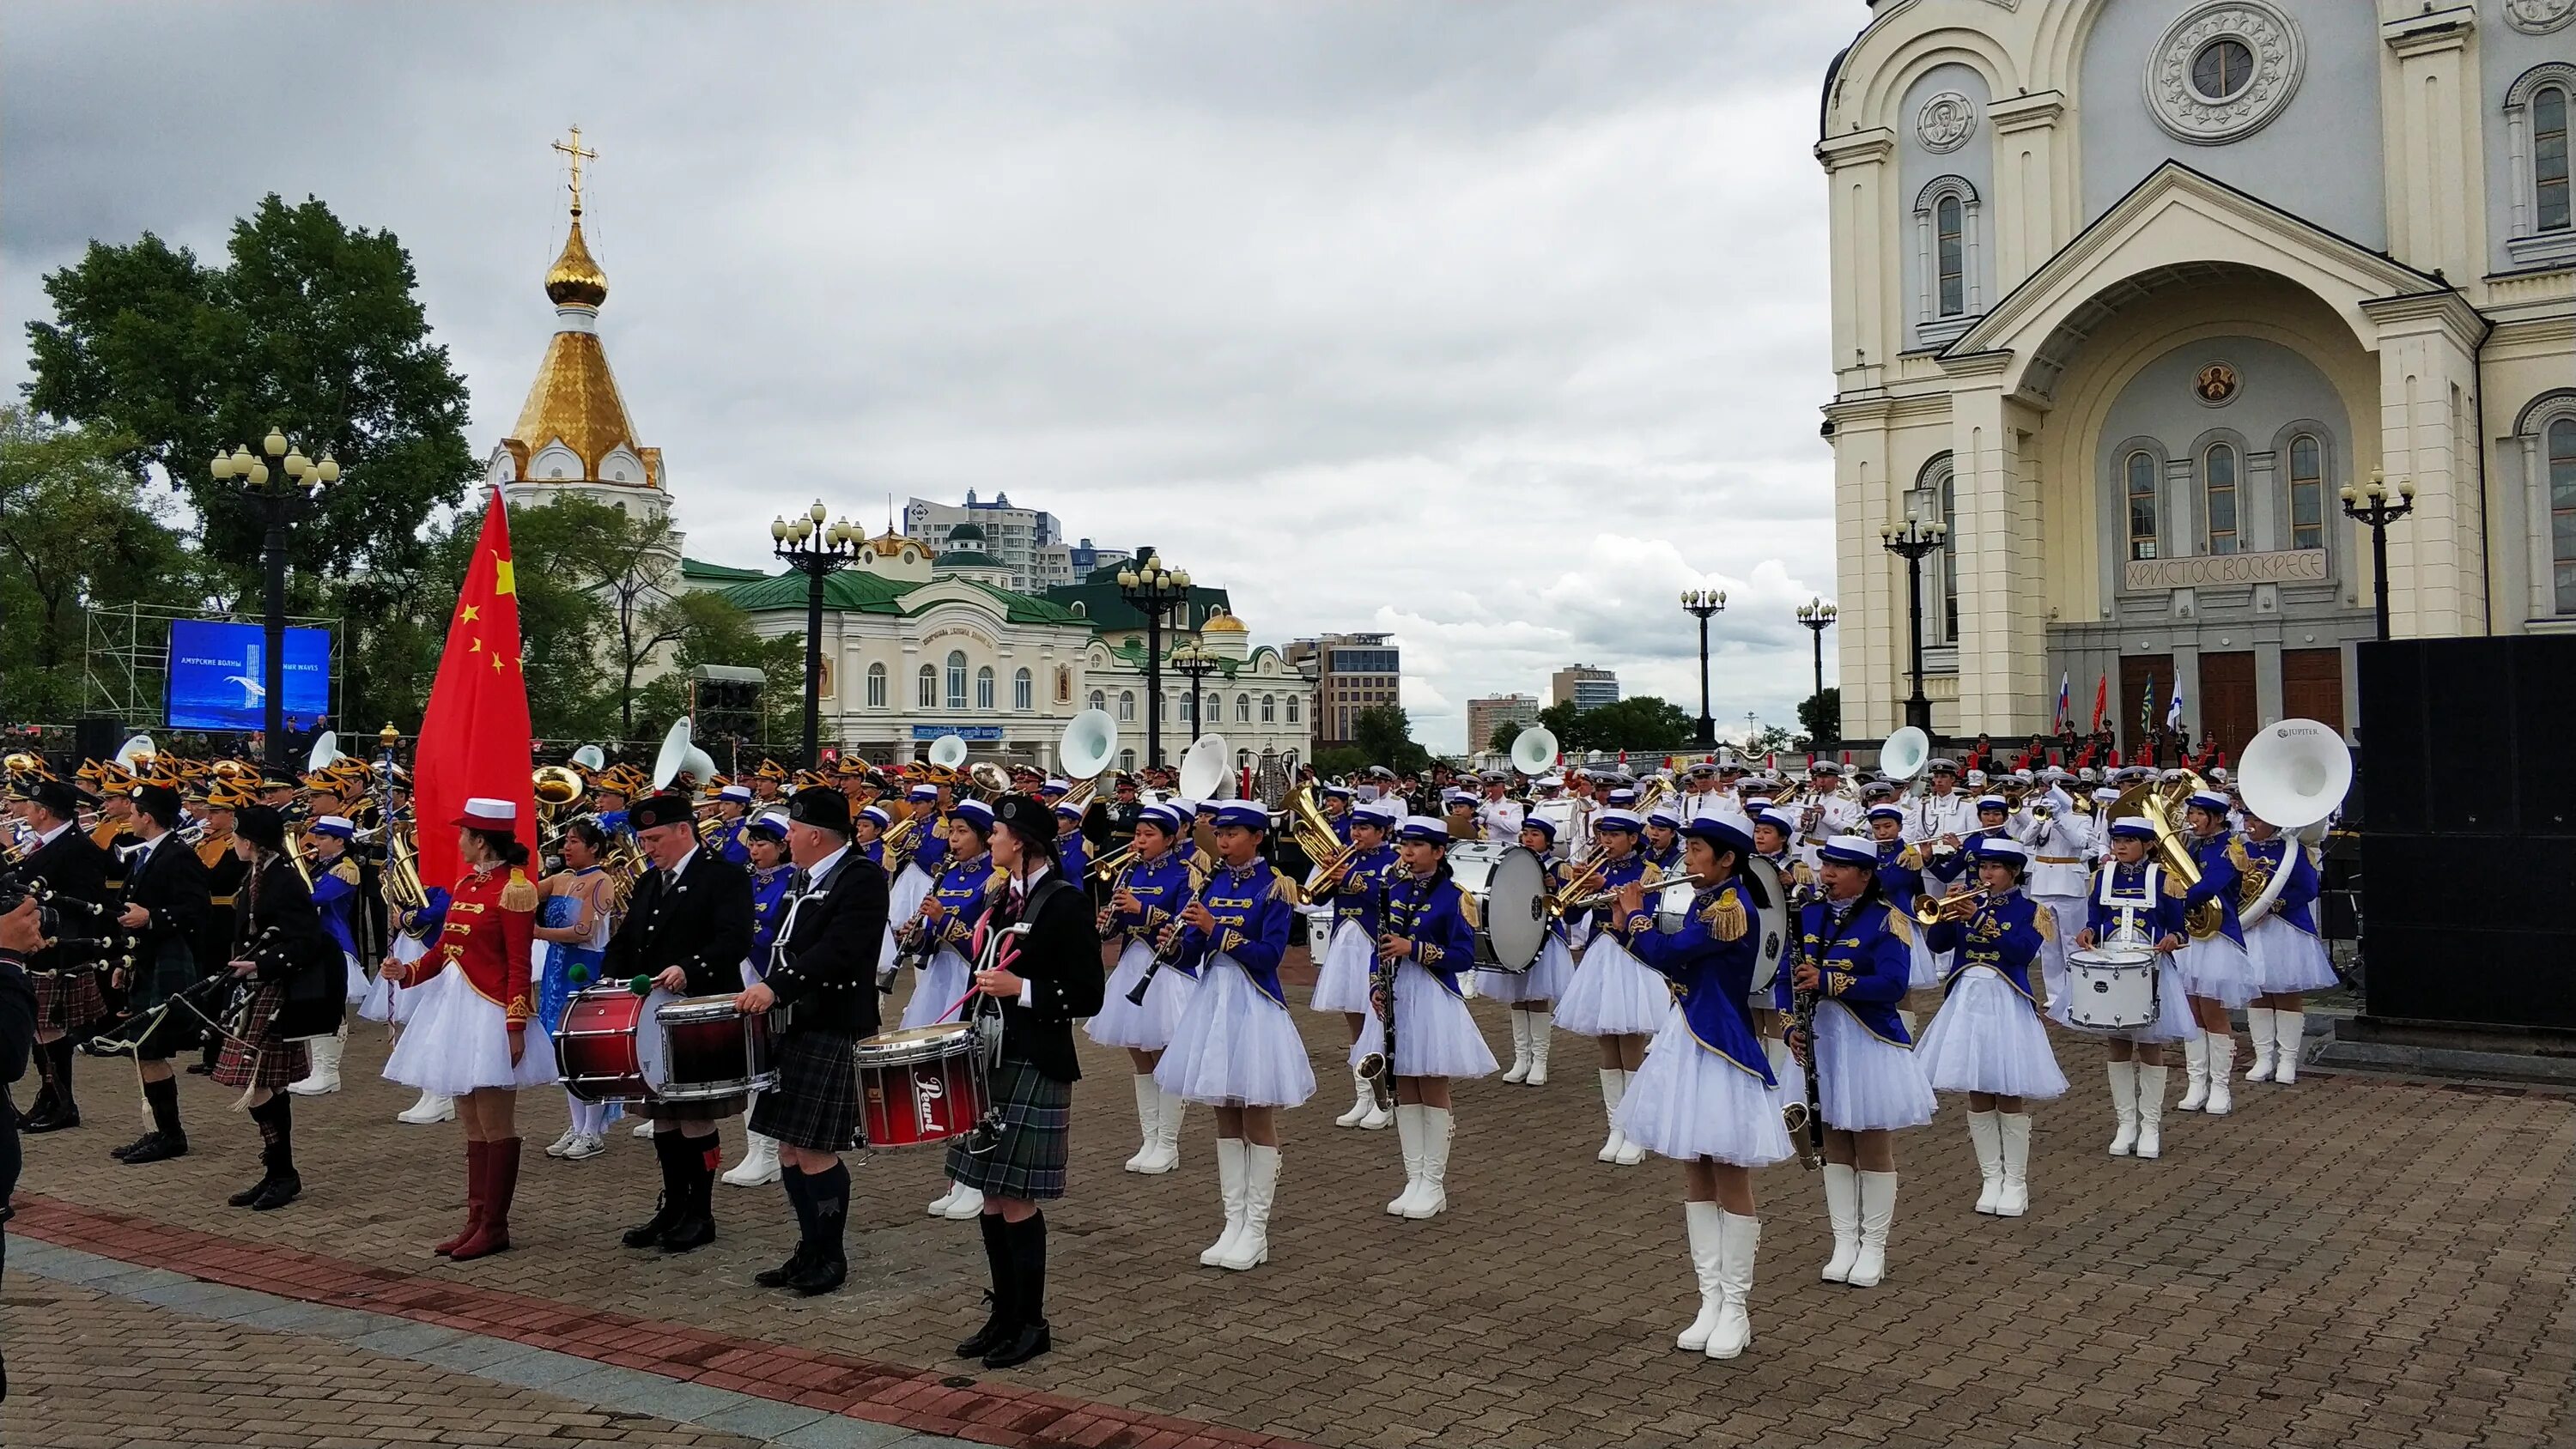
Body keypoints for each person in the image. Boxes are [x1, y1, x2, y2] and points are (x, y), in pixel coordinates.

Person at [1606, 812, 1791, 1361]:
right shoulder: (1708, 901)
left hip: (1720, 1041)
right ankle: (1708, 1299)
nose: (1686, 859)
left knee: (1729, 1172)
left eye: (1696, 850)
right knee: (1695, 1170)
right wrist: (1620, 919)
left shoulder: (1730, 908)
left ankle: (1736, 1306)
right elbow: (1660, 959)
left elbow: (1670, 953)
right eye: (1686, 849)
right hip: (1687, 1036)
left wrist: (1636, 913)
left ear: (1726, 858)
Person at [946, 794, 1105, 1367]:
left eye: (995, 834)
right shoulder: (1001, 897)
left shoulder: (1061, 902)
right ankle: (1004, 1313)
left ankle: (1031, 1323)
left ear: (1021, 843)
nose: (988, 841)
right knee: (990, 1194)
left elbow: (1089, 993)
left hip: (1033, 1057)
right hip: (989, 1057)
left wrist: (1024, 991)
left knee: (1017, 1200)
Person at [732, 787, 890, 1297]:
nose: (788, 839)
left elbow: (840, 950)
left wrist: (775, 987)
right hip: (796, 1021)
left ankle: (831, 1255)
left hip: (834, 1022)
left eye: (793, 831)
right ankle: (807, 1248)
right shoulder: (805, 877)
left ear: (816, 835)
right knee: (789, 1147)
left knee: (817, 1148)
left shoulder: (861, 878)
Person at [380, 797, 549, 1261]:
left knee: (496, 1123)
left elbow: (519, 963)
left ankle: (495, 1225)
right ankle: (476, 1219)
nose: (458, 842)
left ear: (480, 840)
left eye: (463, 834)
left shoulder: (514, 889)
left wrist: (515, 1025)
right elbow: (446, 949)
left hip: (491, 1012)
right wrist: (408, 973)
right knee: (471, 1121)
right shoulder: (467, 884)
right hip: (455, 1009)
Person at [598, 792, 757, 1254]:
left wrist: (690, 967)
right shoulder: (650, 882)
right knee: (662, 1116)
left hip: (697, 1010)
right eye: (643, 838)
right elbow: (627, 940)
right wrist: (609, 977)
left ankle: (700, 1213)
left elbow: (735, 939)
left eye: (654, 837)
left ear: (684, 831)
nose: (647, 846)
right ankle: (673, 1206)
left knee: (694, 1114)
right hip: (651, 1016)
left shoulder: (723, 877)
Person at [1155, 802, 1311, 1271]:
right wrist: (1177, 938)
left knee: (1255, 1114)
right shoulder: (1214, 881)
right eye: (1219, 834)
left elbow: (1269, 955)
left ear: (1256, 837)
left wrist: (1215, 929)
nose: (1223, 842)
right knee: (1224, 1112)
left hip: (1254, 1002)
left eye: (1233, 834)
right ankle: (1232, 1221)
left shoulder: (1277, 887)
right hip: (1214, 1002)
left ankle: (1257, 1229)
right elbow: (1196, 949)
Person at [1791, 836, 1936, 1288]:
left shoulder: (1888, 920)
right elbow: (1785, 974)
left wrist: (1828, 980)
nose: (1827, 873)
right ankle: (1844, 1242)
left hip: (1869, 1040)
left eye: (1839, 867)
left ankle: (1874, 1246)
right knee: (1832, 1141)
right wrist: (1788, 1025)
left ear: (1865, 875)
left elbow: (1893, 985)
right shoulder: (1808, 912)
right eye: (1825, 864)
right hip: (1822, 1038)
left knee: (1871, 1143)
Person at [1913, 839, 2068, 1217]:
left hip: (2006, 998)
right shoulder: (1969, 900)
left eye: (1996, 868)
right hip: (1967, 997)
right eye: (1983, 867)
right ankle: (1990, 1178)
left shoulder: (2033, 910)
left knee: (2008, 1088)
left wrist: (1978, 919)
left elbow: (2022, 952)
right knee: (1977, 1089)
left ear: (2013, 872)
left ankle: (2016, 1181)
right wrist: (1947, 913)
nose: (1986, 874)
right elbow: (1937, 942)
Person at [1356, 817, 1499, 1219]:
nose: (1408, 851)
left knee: (1432, 1086)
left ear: (1438, 852)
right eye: (1405, 844)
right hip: (1397, 993)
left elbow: (1463, 957)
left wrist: (1413, 948)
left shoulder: (1456, 897)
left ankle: (1433, 1184)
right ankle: (1413, 1178)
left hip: (1433, 996)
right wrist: (1375, 987)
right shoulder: (1393, 889)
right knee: (1403, 1087)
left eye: (1418, 845)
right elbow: (1379, 945)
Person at [211, 804, 339, 1210]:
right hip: (256, 987)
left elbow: (307, 941)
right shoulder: (258, 874)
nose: (232, 842)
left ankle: (283, 1173)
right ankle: (277, 1171)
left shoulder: (283, 881)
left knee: (260, 1084)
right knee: (262, 1085)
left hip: (277, 992)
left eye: (235, 836)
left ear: (248, 841)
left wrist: (261, 963)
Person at [1084, 803, 1201, 1173]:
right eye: (1137, 834)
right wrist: (1108, 922)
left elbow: (1188, 922)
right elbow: (1117, 925)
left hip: (1166, 970)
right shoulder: (1127, 872)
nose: (1140, 841)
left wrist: (1142, 908)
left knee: (1165, 1056)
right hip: (1132, 964)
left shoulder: (1186, 874)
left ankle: (1168, 1142)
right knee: (1139, 1056)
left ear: (1170, 838)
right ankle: (1149, 1138)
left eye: (1149, 835)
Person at [2069, 818, 2195, 1158]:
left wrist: (2174, 938)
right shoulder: (2102, 876)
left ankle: (2150, 1125)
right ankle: (2125, 1124)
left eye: (2128, 841)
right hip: (2112, 965)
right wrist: (2088, 932)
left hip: (2150, 966)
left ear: (2148, 844)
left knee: (2151, 1044)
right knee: (2118, 1043)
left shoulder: (2164, 880)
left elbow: (2179, 927)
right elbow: (2094, 917)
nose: (2120, 846)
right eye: (2117, 840)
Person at [104, 781, 212, 1166]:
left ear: (147, 816)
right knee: (142, 1050)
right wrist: (121, 962)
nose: (128, 818)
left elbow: (198, 909)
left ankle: (170, 1134)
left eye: (133, 812)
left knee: (150, 1048)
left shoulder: (178, 856)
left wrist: (153, 918)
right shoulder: (146, 854)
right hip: (145, 960)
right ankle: (159, 1131)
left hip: (168, 961)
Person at [1553, 809, 1667, 1166]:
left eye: (1616, 835)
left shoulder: (1648, 872)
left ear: (1633, 838)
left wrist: (1606, 890)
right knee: (1607, 1046)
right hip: (1600, 955)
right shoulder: (1593, 867)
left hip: (1632, 958)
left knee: (1631, 1043)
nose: (1607, 840)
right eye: (1604, 833)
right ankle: (1615, 1126)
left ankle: (1637, 1130)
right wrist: (1570, 892)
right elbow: (1569, 917)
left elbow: (1646, 913)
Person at [908, 798, 1002, 1220]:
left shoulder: (993, 880)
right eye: (952, 831)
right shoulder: (944, 874)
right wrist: (917, 934)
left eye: (962, 832)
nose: (953, 839)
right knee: (947, 1082)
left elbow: (985, 946)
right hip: (940, 981)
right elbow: (931, 936)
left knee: (972, 1080)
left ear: (982, 836)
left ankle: (978, 1179)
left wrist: (944, 921)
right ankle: (957, 1175)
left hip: (969, 982)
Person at [12, 779, 110, 1133]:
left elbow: (86, 903)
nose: (25, 812)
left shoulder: (77, 847)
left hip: (58, 948)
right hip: (36, 944)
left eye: (32, 808)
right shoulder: (47, 844)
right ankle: (50, 1094)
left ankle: (63, 1101)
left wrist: (52, 935)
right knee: (40, 1028)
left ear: (44, 812)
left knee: (49, 1026)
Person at [1303, 800, 1398, 1128]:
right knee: (1355, 1023)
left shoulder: (1393, 861)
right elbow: (1315, 899)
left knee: (1379, 1020)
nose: (1356, 833)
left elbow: (1391, 897)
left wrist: (1352, 878)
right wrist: (1327, 873)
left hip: (1374, 943)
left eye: (1364, 828)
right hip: (1345, 942)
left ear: (1382, 832)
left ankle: (1385, 1099)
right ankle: (1363, 1094)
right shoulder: (1347, 856)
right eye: (1355, 827)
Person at [534, 819, 620, 1161]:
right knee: (562, 1052)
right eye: (565, 841)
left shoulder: (601, 881)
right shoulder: (559, 879)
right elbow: (522, 895)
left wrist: (538, 932)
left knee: (586, 1051)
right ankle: (577, 1124)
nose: (566, 847)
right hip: (556, 970)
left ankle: (592, 1130)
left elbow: (584, 931)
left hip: (583, 970)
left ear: (594, 847)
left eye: (574, 841)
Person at [720, 811, 798, 1187]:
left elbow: (786, 932)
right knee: (749, 1064)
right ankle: (755, 1147)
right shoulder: (744, 881)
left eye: (763, 843)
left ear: (783, 846)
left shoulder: (793, 881)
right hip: (743, 975)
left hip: (770, 978)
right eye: (751, 842)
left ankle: (770, 1152)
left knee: (770, 1064)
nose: (754, 849)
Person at [2173, 791, 2257, 1116]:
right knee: (2192, 1012)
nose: (2191, 819)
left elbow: (2210, 886)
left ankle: (2220, 1086)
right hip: (2192, 936)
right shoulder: (2193, 846)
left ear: (2218, 818)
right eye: (2191, 813)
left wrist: (2176, 897)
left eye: (2198, 814)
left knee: (2213, 1012)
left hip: (2219, 936)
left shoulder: (2230, 848)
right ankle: (2197, 1083)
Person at [2238, 815, 2331, 1087]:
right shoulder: (2242, 850)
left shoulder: (2292, 849)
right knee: (2258, 993)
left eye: (2255, 820)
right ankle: (2263, 1057)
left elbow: (2308, 889)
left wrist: (2273, 904)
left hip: (2286, 927)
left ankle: (2288, 1059)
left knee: (2287, 993)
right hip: (2253, 928)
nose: (2249, 825)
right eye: (2246, 819)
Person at [1479, 815, 1569, 1088]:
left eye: (1535, 834)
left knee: (1537, 997)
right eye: (1525, 833)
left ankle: (1540, 1061)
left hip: (1544, 937)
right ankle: (1521, 1059)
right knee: (1517, 998)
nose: (1528, 838)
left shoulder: (1559, 867)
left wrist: (1556, 887)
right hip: (1515, 936)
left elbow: (1567, 905)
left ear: (1548, 841)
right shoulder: (1512, 861)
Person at [283, 815, 365, 1096]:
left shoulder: (345, 869)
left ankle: (328, 1071)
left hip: (334, 943)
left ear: (339, 841)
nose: (315, 843)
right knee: (318, 1005)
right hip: (316, 943)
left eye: (322, 838)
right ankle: (320, 1071)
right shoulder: (320, 866)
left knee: (331, 1009)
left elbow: (315, 898)